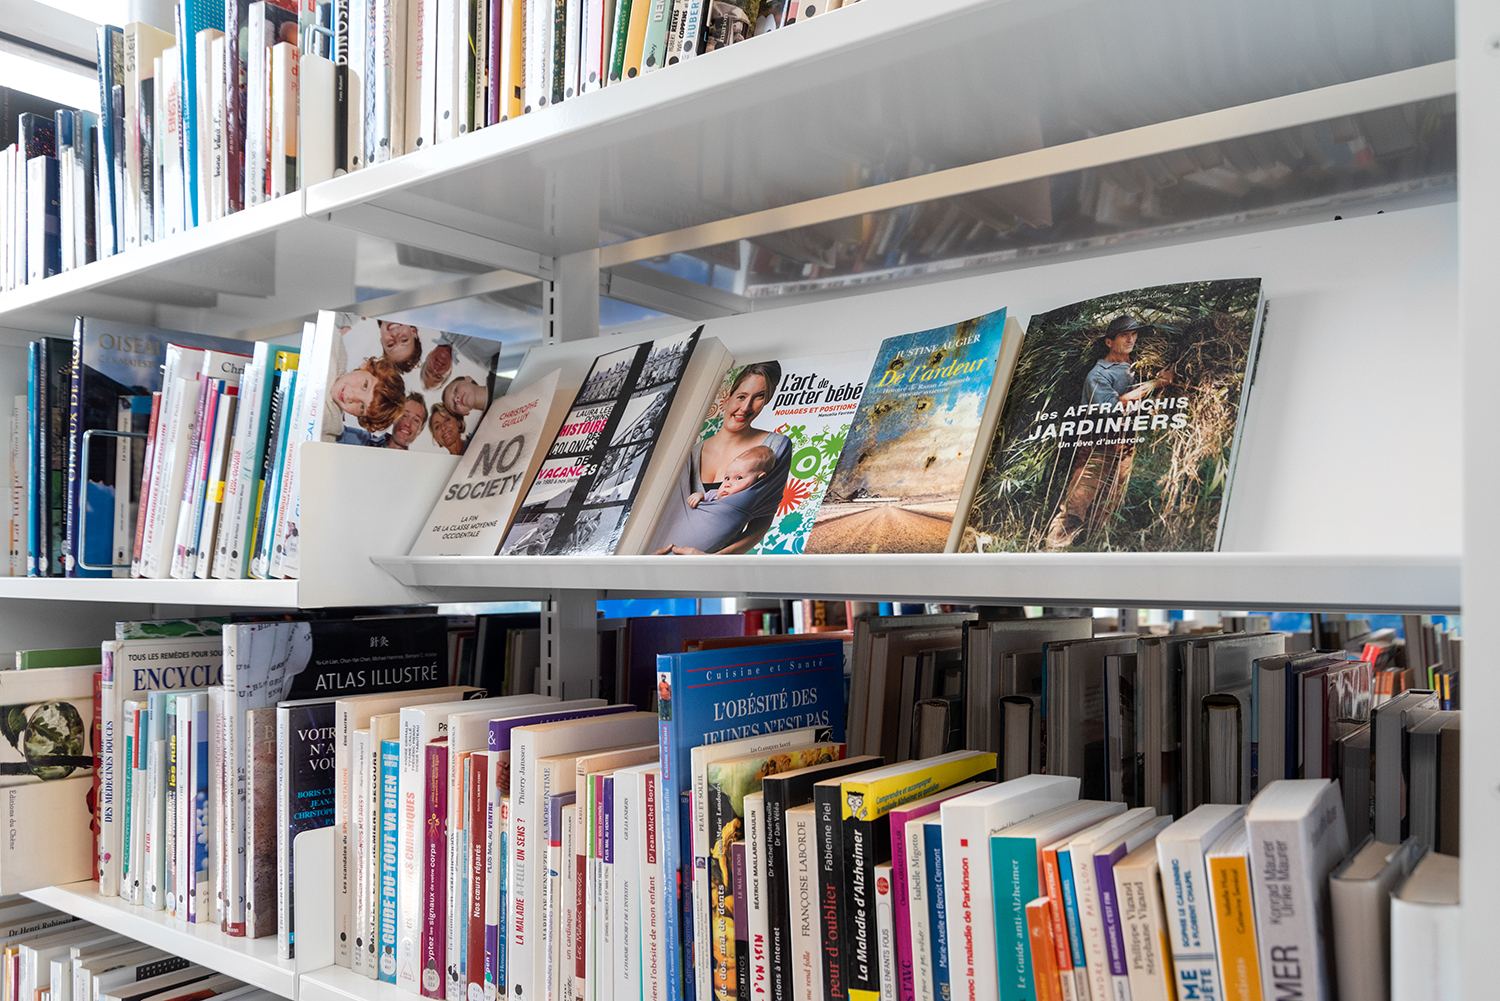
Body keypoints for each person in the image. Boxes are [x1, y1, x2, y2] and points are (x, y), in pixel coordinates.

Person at [1043, 314, 1176, 549]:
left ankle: (1091, 546)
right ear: (1109, 342)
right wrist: (1155, 384)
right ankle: (1055, 546)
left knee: (1111, 497)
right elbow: (1112, 406)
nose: (1130, 339)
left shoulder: (1137, 365)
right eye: (1124, 335)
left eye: (1133, 334)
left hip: (1125, 440)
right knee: (1080, 496)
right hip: (1098, 439)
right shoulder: (1098, 374)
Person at [651, 362, 792, 555]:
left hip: (709, 567)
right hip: (654, 556)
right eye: (741, 396)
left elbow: (762, 522)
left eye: (759, 396)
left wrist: (714, 560)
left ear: (767, 400)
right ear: (728, 397)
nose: (745, 407)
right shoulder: (691, 452)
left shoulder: (774, 447)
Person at [322, 354, 408, 441]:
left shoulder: (328, 431)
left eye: (362, 407)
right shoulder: (333, 353)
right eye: (365, 385)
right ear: (365, 367)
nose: (351, 396)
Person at [687, 445, 775, 508]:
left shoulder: (751, 502)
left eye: (739, 478)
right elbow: (703, 499)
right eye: (727, 478)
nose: (727, 484)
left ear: (759, 479)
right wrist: (699, 496)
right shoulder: (713, 494)